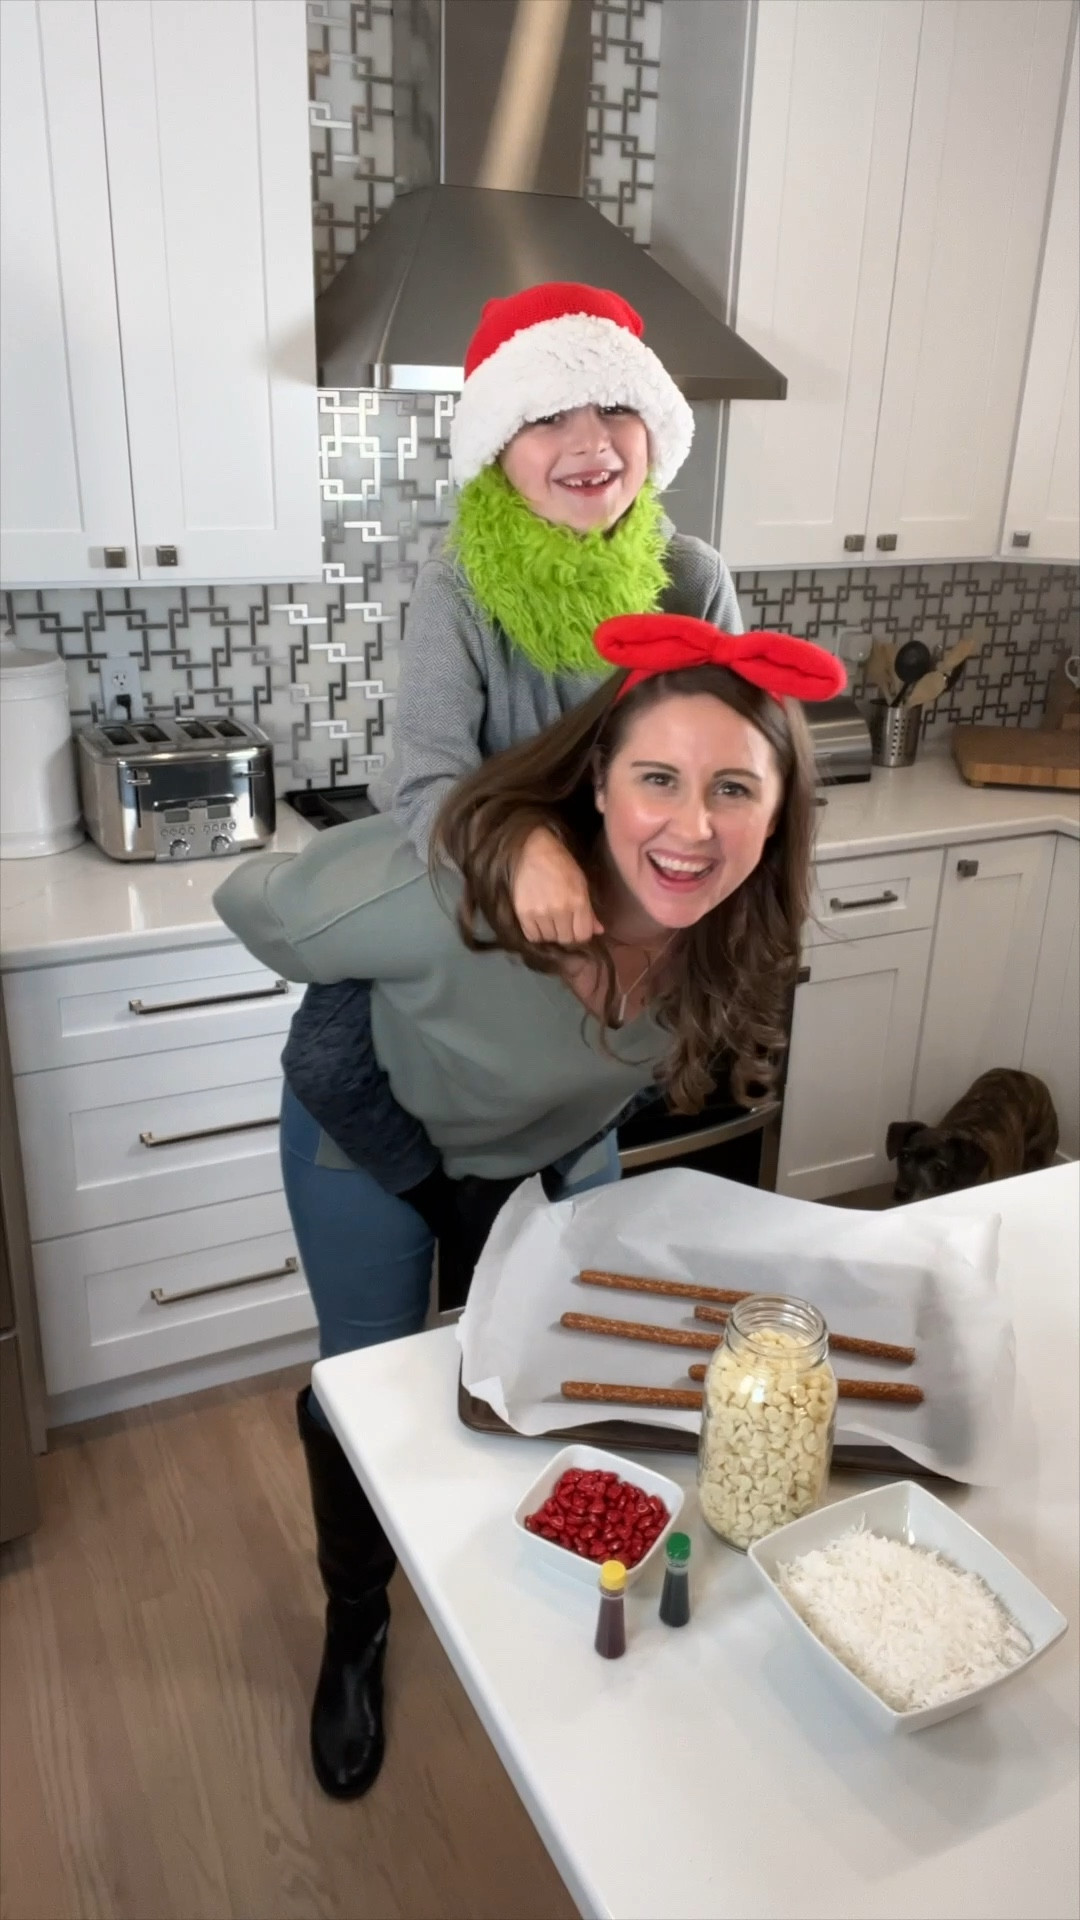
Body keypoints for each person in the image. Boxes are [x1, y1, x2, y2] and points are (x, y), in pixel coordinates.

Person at [215, 613, 844, 1801]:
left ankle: (540, 1588)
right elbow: (252, 903)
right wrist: (442, 865)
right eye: (657, 778)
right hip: (372, 1143)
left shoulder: (741, 928)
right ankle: (358, 1624)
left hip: (549, 1149)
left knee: (563, 1369)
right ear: (597, 782)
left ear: (783, 809)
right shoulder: (452, 894)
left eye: (734, 789)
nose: (693, 826)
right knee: (367, 1394)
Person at [284, 278, 744, 1222]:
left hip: (598, 979)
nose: (591, 442)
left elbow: (735, 764)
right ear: (499, 449)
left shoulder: (692, 579)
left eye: (618, 406)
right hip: (461, 943)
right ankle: (434, 1205)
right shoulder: (462, 581)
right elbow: (423, 777)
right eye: (545, 416)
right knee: (329, 1061)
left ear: (656, 426)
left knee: (556, 1299)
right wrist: (524, 846)